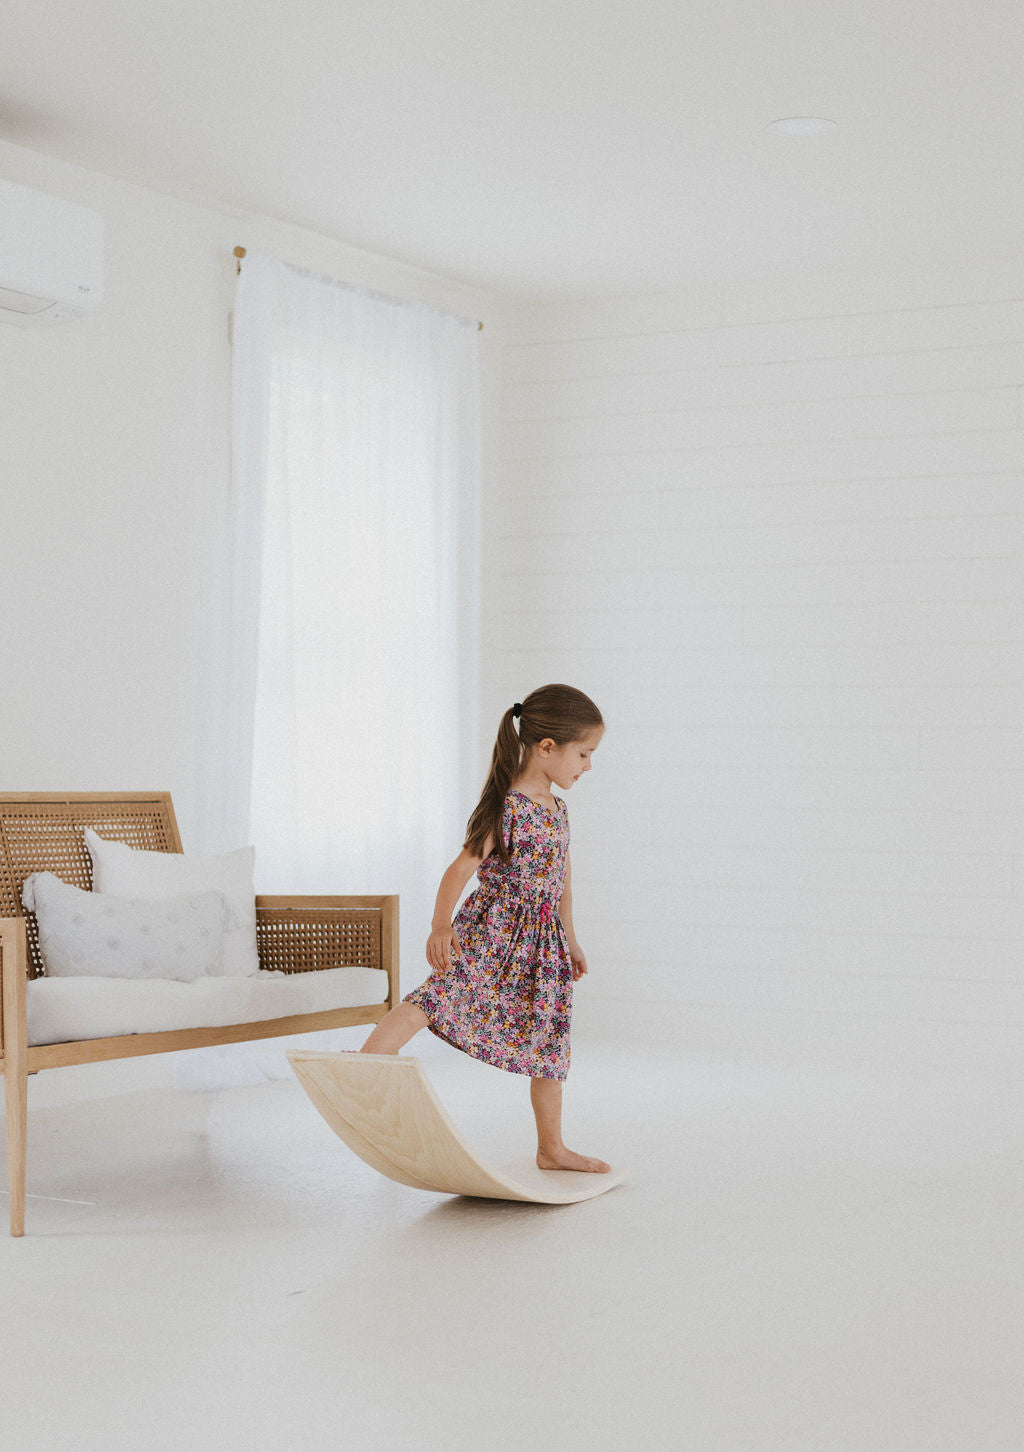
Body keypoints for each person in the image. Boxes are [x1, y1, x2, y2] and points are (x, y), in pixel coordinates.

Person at [361, 683, 609, 1173]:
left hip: (544, 945)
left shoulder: (558, 809)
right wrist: (439, 927)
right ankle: (364, 1063)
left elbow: (562, 879)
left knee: (549, 1044)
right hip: (494, 930)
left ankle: (551, 1148)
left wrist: (571, 938)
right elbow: (461, 868)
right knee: (438, 996)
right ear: (547, 747)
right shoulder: (507, 804)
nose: (587, 766)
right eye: (584, 753)